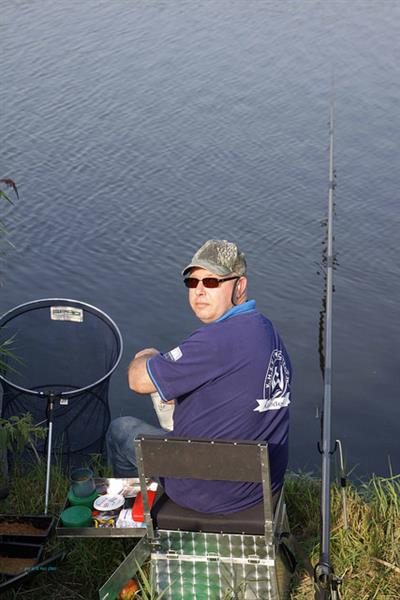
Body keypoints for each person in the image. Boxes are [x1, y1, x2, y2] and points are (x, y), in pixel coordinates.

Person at [107, 239, 291, 514]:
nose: (200, 291)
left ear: (240, 286)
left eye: (212, 282)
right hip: (259, 486)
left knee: (121, 431)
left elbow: (137, 381)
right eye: (193, 282)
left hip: (206, 490)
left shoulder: (214, 341)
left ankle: (131, 515)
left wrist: (147, 357)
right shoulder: (267, 331)